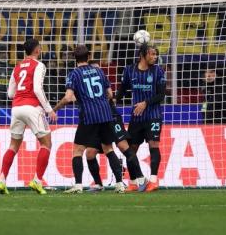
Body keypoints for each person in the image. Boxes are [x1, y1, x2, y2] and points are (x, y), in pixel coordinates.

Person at [52, 45, 127, 194]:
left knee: (78, 150)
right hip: (105, 115)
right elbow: (110, 94)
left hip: (89, 116)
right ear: (89, 56)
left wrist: (54, 109)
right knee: (108, 148)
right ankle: (119, 184)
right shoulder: (99, 71)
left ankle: (78, 185)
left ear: (75, 58)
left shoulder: (74, 74)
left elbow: (68, 97)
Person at [0, 39, 56, 195]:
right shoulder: (39, 65)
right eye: (40, 47)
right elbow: (37, 89)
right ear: (37, 50)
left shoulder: (17, 67)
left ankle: (1, 180)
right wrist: (49, 110)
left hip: (16, 108)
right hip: (32, 108)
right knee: (46, 144)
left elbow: (10, 94)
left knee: (13, 146)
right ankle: (37, 180)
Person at [116, 43, 167, 191]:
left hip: (153, 115)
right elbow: (122, 91)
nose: (155, 57)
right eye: (152, 54)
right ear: (142, 55)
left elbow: (161, 95)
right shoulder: (129, 70)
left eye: (156, 54)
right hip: (137, 117)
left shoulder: (158, 71)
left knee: (154, 145)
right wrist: (113, 101)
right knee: (131, 149)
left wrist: (145, 103)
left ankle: (153, 180)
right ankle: (133, 182)